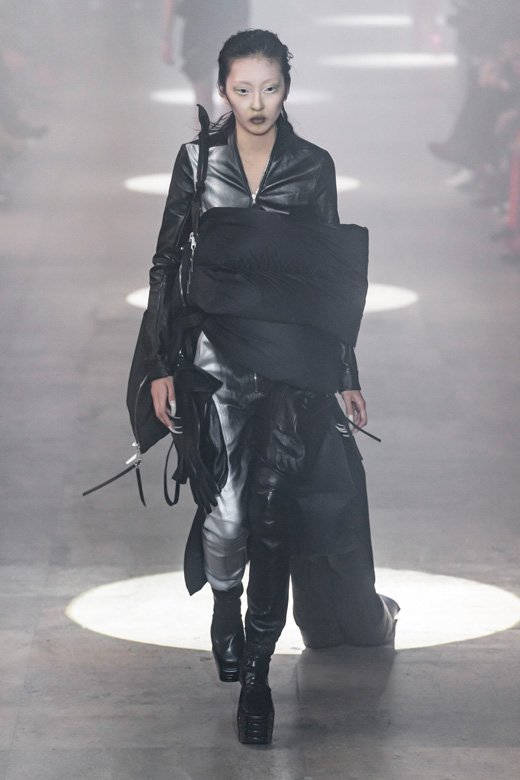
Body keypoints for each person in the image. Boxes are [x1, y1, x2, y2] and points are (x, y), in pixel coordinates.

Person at [130, 29, 399, 745]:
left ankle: (257, 677)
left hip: (291, 364)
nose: (256, 103)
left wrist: (343, 372)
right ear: (222, 89)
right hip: (214, 356)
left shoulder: (312, 166)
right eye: (243, 89)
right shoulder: (198, 160)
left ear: (287, 87)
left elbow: (331, 276)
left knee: (274, 518)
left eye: (270, 88)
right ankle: (225, 606)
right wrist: (161, 364)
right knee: (226, 517)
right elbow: (166, 264)